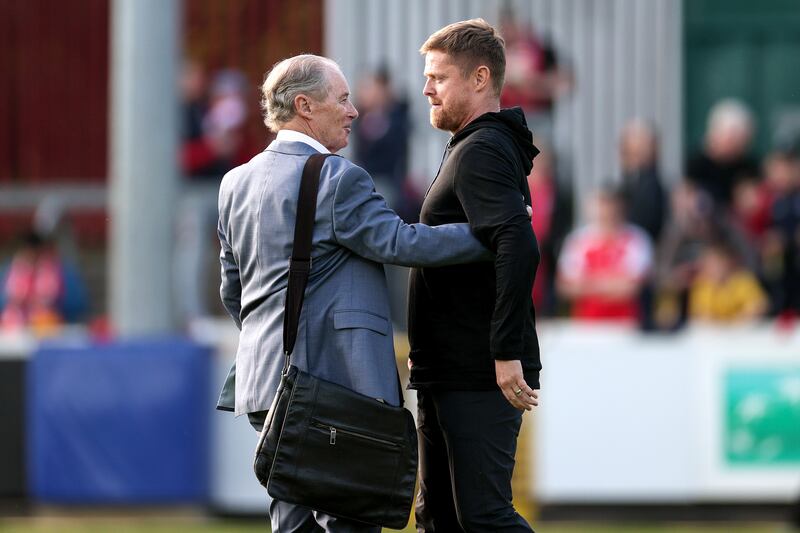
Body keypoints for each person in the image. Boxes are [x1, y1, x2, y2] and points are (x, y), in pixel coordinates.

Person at [215, 54, 494, 533]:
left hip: (264, 382)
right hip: (336, 386)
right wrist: (491, 234)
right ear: (305, 105)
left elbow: (231, 290)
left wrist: (275, 338)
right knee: (350, 523)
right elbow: (402, 242)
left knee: (293, 524)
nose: (354, 111)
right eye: (342, 99)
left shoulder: (233, 183)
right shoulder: (338, 177)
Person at [408, 19, 540, 532]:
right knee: (439, 519)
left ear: (480, 78)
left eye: (438, 77)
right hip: (450, 366)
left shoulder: (482, 148)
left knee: (483, 519)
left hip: (478, 369)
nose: (426, 88)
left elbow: (519, 244)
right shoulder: (471, 144)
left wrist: (504, 351)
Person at [556, 188, 653, 321]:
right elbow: (565, 287)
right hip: (587, 324)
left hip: (626, 324)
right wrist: (612, 283)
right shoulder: (579, 240)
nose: (606, 213)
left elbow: (632, 289)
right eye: (602, 206)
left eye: (611, 207)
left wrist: (588, 284)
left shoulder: (636, 239)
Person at [686, 99, 759, 211]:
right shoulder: (697, 164)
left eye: (741, 139)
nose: (735, 144)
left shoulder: (749, 166)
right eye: (731, 138)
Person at [688, 241, 767, 323]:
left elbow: (757, 307)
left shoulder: (743, 280)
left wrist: (733, 322)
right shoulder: (701, 284)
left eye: (718, 263)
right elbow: (700, 314)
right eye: (710, 264)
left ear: (727, 263)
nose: (715, 269)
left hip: (742, 330)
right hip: (714, 332)